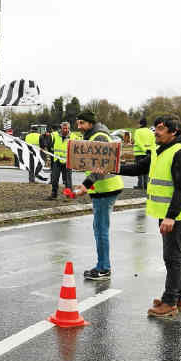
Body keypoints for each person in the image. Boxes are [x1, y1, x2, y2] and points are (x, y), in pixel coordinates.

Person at [116, 114, 181, 317]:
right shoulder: (160, 150)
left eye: (160, 128)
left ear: (174, 131)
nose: (156, 132)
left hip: (179, 214)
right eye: (155, 128)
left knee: (171, 257)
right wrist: (112, 168)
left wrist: (171, 217)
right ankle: (178, 298)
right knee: (176, 255)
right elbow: (137, 168)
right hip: (169, 213)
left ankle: (169, 302)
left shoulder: (180, 152)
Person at [73, 111, 124, 281]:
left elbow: (101, 167)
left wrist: (85, 186)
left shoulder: (98, 137)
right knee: (99, 228)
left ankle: (104, 268)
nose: (78, 127)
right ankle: (102, 265)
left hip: (105, 189)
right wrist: (86, 185)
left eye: (81, 123)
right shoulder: (95, 135)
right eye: (78, 123)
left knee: (101, 230)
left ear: (89, 123)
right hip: (102, 188)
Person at [48, 122, 73, 199]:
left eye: (67, 128)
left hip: (68, 162)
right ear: (61, 128)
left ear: (69, 128)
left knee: (67, 180)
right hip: (57, 160)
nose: (65, 130)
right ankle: (54, 193)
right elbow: (48, 140)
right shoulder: (54, 135)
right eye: (64, 128)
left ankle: (68, 195)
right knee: (54, 178)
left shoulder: (73, 137)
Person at [133, 117, 156, 190]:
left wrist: (144, 149)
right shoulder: (150, 132)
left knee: (139, 169)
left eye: (138, 123)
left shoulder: (137, 131)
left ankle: (140, 185)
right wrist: (150, 151)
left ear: (141, 124)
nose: (137, 124)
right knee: (147, 170)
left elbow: (138, 142)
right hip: (148, 154)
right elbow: (153, 142)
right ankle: (146, 185)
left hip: (139, 154)